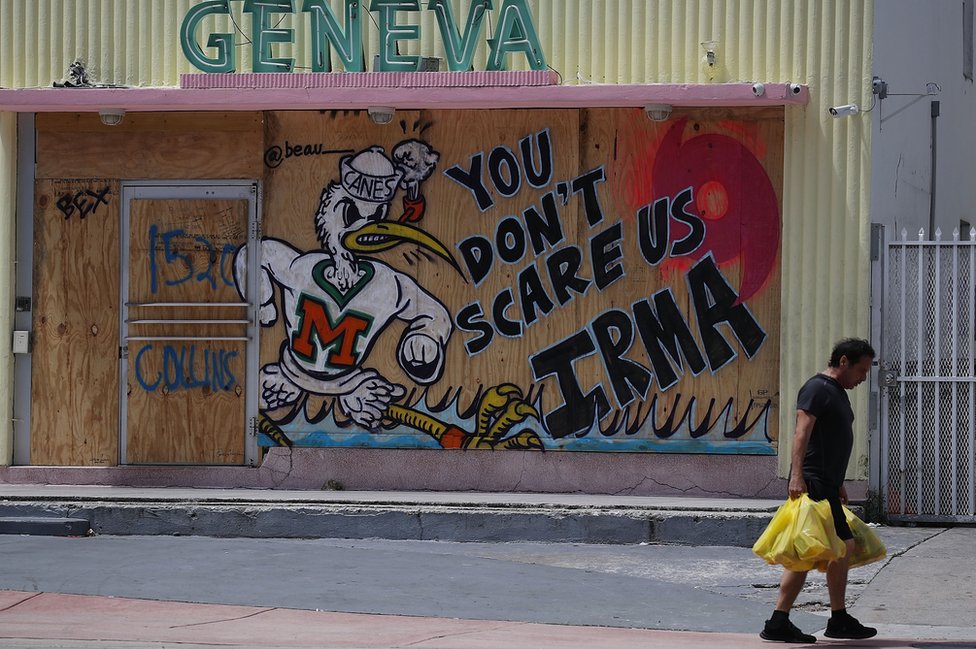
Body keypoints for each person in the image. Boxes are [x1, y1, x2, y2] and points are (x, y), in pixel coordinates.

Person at [760, 338, 879, 643]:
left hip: (826, 482)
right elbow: (802, 433)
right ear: (843, 362)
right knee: (828, 548)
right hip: (812, 482)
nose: (863, 378)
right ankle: (813, 620)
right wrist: (796, 476)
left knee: (824, 549)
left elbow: (831, 440)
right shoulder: (817, 389)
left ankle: (798, 620)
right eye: (861, 370)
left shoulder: (835, 392)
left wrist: (838, 482)